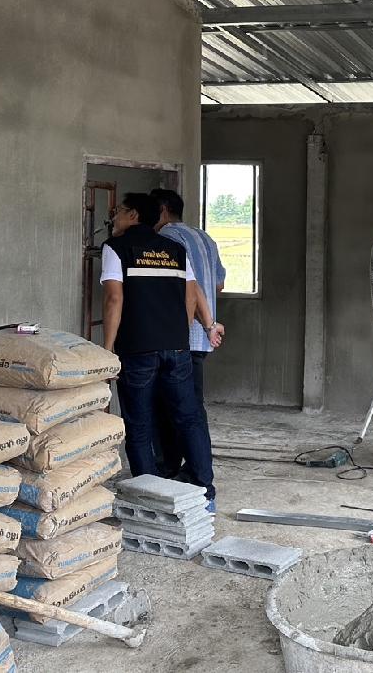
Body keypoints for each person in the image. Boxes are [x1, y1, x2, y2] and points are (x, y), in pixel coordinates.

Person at [101, 192, 216, 510]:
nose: (114, 217)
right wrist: (185, 332)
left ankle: (148, 498)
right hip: (177, 347)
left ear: (133, 215)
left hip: (138, 348)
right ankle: (205, 492)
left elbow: (114, 298)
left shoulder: (116, 248)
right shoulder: (176, 250)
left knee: (139, 423)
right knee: (188, 418)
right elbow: (191, 294)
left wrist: (107, 351)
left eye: (119, 211)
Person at [150, 188, 225, 481]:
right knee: (191, 405)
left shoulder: (167, 238)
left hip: (179, 335)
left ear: (162, 210)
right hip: (202, 337)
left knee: (174, 407)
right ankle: (192, 467)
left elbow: (183, 285)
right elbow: (217, 284)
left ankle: (181, 468)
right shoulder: (204, 237)